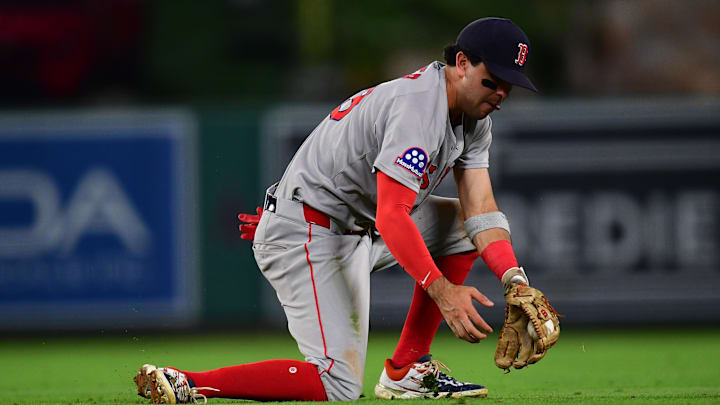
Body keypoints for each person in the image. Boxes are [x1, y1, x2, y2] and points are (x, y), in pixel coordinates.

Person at [134, 17, 558, 404]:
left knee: (464, 225)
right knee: (337, 385)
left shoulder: (472, 114)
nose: (502, 92)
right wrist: (443, 292)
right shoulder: (418, 110)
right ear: (462, 63)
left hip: (346, 225)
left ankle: (408, 369)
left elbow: (480, 208)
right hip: (311, 233)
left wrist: (514, 279)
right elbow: (394, 215)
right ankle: (187, 380)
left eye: (510, 84)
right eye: (494, 79)